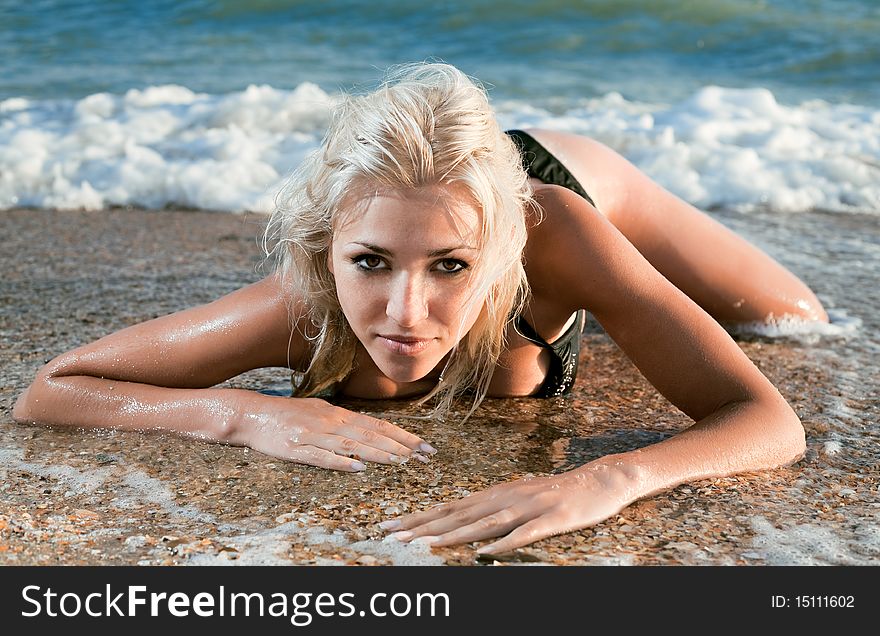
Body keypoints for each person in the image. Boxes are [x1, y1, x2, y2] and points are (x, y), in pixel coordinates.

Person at [13, 62, 827, 556]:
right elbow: (54, 389)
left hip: (569, 179)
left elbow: (767, 420)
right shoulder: (306, 307)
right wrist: (241, 416)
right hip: (436, 191)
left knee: (793, 317)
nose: (405, 310)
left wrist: (611, 477)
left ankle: (582, 292)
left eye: (450, 269)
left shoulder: (557, 236)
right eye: (369, 263)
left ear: (506, 258)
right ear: (328, 247)